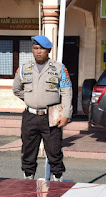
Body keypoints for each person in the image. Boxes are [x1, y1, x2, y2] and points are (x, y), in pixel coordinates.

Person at [13, 35, 72, 181]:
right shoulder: (24, 68)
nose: (38, 51)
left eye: (42, 49)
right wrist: (30, 99)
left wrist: (66, 114)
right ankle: (28, 177)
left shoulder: (59, 68)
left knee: (54, 150)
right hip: (30, 115)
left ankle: (57, 178)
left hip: (51, 115)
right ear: (32, 50)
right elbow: (17, 89)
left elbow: (66, 91)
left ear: (49, 50)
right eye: (36, 48)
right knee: (28, 149)